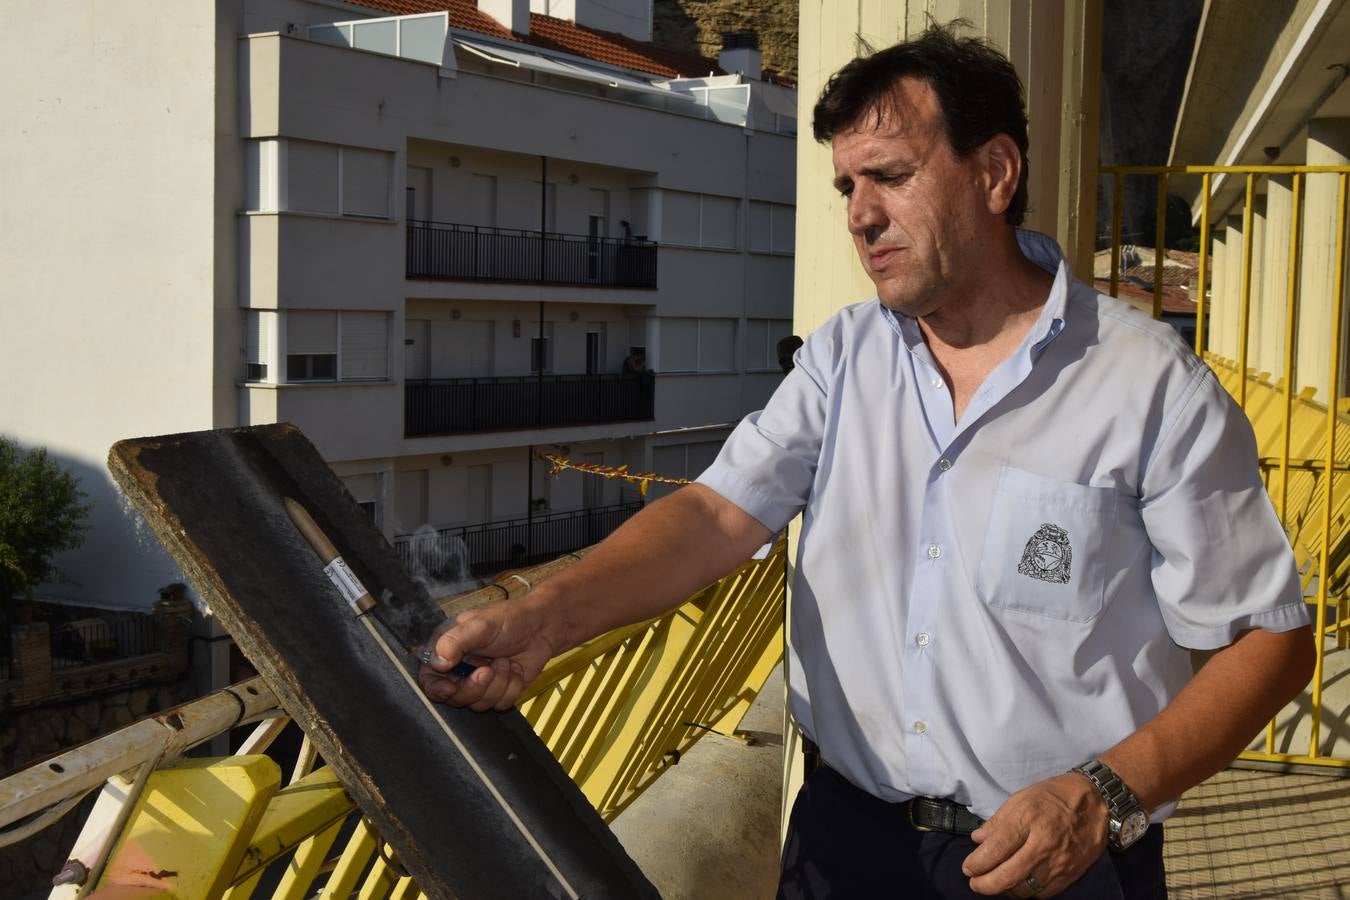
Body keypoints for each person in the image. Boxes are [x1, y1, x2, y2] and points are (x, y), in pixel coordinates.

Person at [420, 23, 1314, 899]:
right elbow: (714, 515)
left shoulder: (1148, 383)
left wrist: (1106, 795)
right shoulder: (843, 357)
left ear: (995, 174)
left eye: (890, 176)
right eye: (848, 183)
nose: (858, 214)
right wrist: (544, 620)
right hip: (843, 841)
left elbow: (1269, 642)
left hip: (1056, 860)